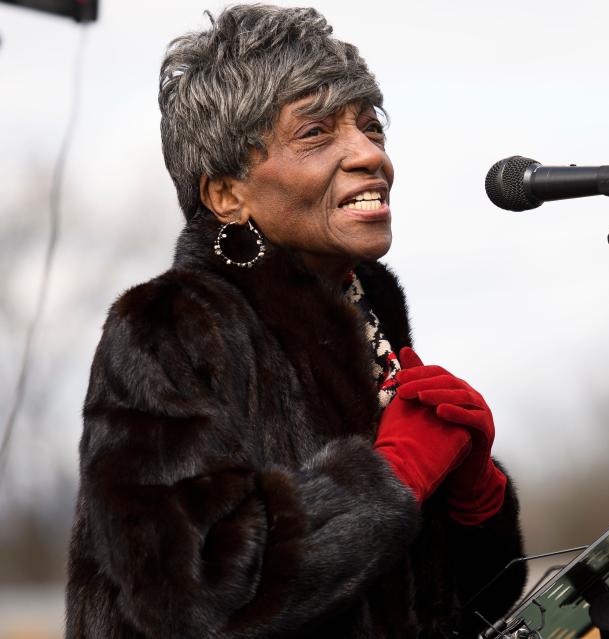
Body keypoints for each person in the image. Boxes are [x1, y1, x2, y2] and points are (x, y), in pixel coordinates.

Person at [65, 5, 526, 637]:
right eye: (316, 133)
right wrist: (391, 477)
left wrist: (477, 501)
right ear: (227, 193)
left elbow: (433, 608)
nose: (370, 156)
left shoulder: (362, 318)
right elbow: (190, 592)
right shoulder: (170, 327)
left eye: (372, 128)